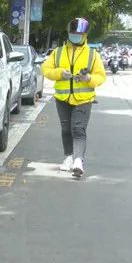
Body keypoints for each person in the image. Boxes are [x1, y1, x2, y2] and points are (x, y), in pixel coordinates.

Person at [41, 18, 107, 177]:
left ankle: (78, 161)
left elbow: (101, 77)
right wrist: (60, 73)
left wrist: (88, 78)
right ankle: (68, 158)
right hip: (62, 98)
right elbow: (46, 69)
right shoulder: (58, 52)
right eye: (73, 33)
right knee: (66, 129)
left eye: (79, 33)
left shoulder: (93, 55)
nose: (75, 36)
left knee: (78, 129)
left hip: (83, 99)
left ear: (85, 35)